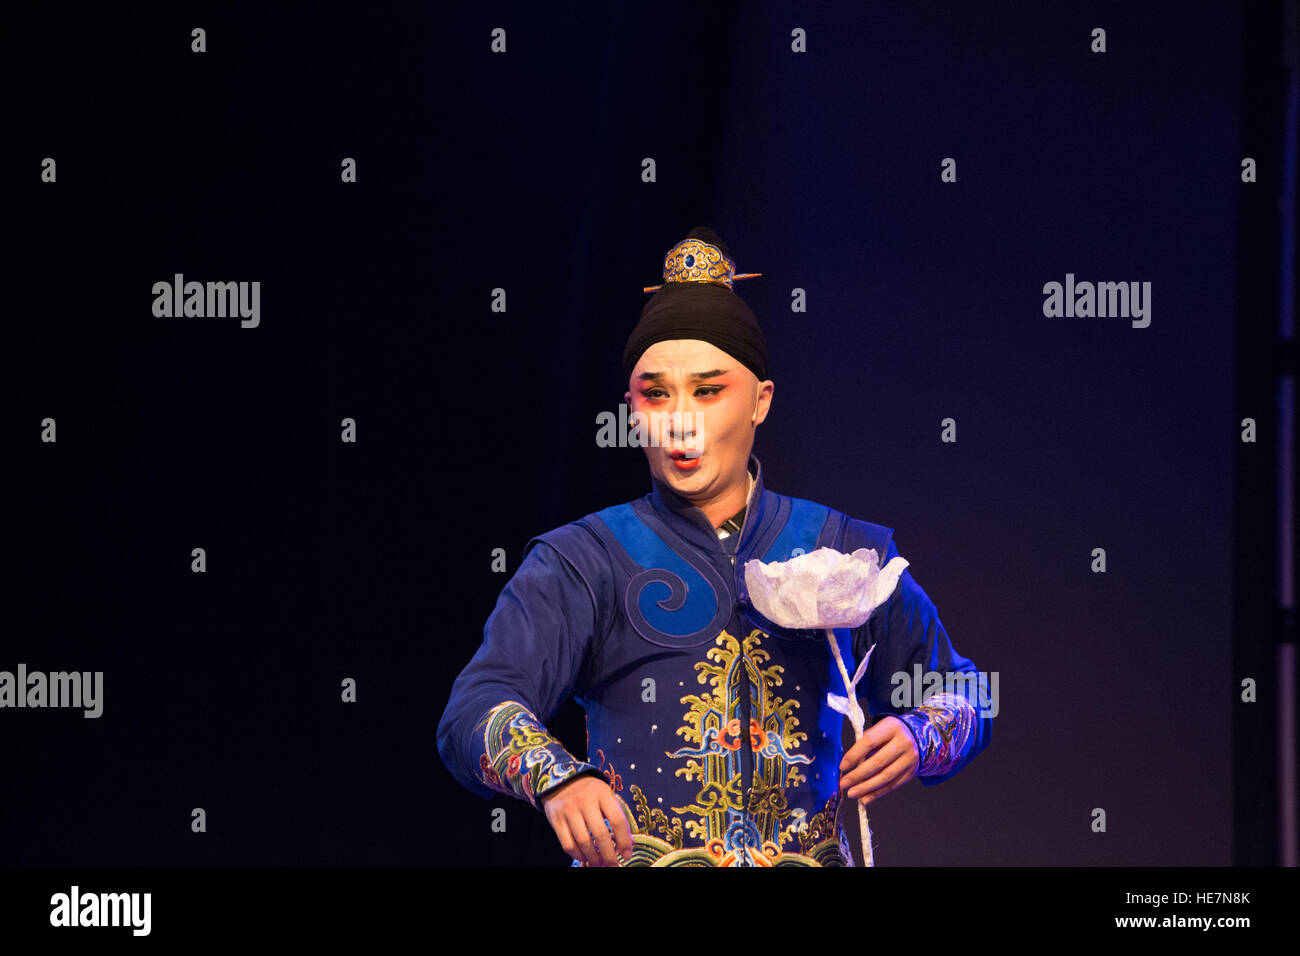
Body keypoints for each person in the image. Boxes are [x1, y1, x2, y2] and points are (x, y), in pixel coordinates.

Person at [436, 226, 992, 866]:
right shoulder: (583, 560)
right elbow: (474, 708)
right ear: (631, 408)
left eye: (707, 390)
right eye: (655, 394)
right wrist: (556, 776)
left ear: (760, 401)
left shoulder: (841, 547)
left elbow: (968, 691)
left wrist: (918, 733)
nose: (679, 419)